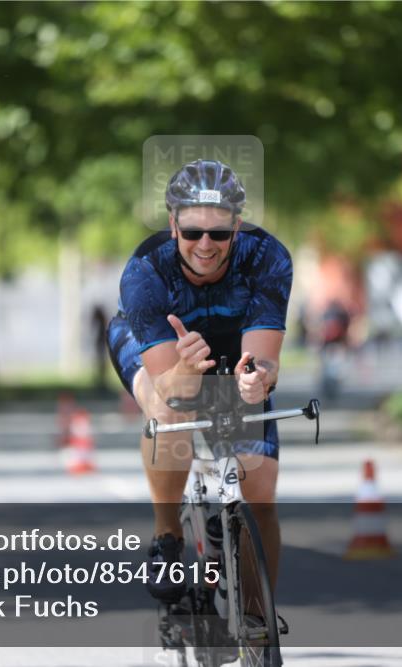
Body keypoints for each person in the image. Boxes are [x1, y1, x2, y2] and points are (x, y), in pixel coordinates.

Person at [107, 159, 293, 606]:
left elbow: (263, 359)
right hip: (159, 344)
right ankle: (167, 532)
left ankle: (255, 618)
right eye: (192, 232)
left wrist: (256, 381)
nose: (205, 244)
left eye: (219, 233)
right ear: (173, 226)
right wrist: (187, 373)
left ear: (238, 226)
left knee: (260, 492)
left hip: (232, 342)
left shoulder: (268, 257)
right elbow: (172, 386)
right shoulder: (145, 270)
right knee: (170, 409)